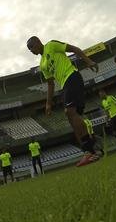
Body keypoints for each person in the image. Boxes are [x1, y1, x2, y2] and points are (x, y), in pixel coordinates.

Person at [27, 36, 99, 167]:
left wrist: (88, 61)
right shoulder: (42, 64)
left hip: (72, 76)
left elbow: (73, 49)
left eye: (31, 47)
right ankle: (89, 151)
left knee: (69, 111)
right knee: (71, 117)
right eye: (29, 49)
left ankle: (91, 149)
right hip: (64, 85)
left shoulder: (52, 45)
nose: (31, 50)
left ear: (38, 42)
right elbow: (50, 84)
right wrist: (48, 103)